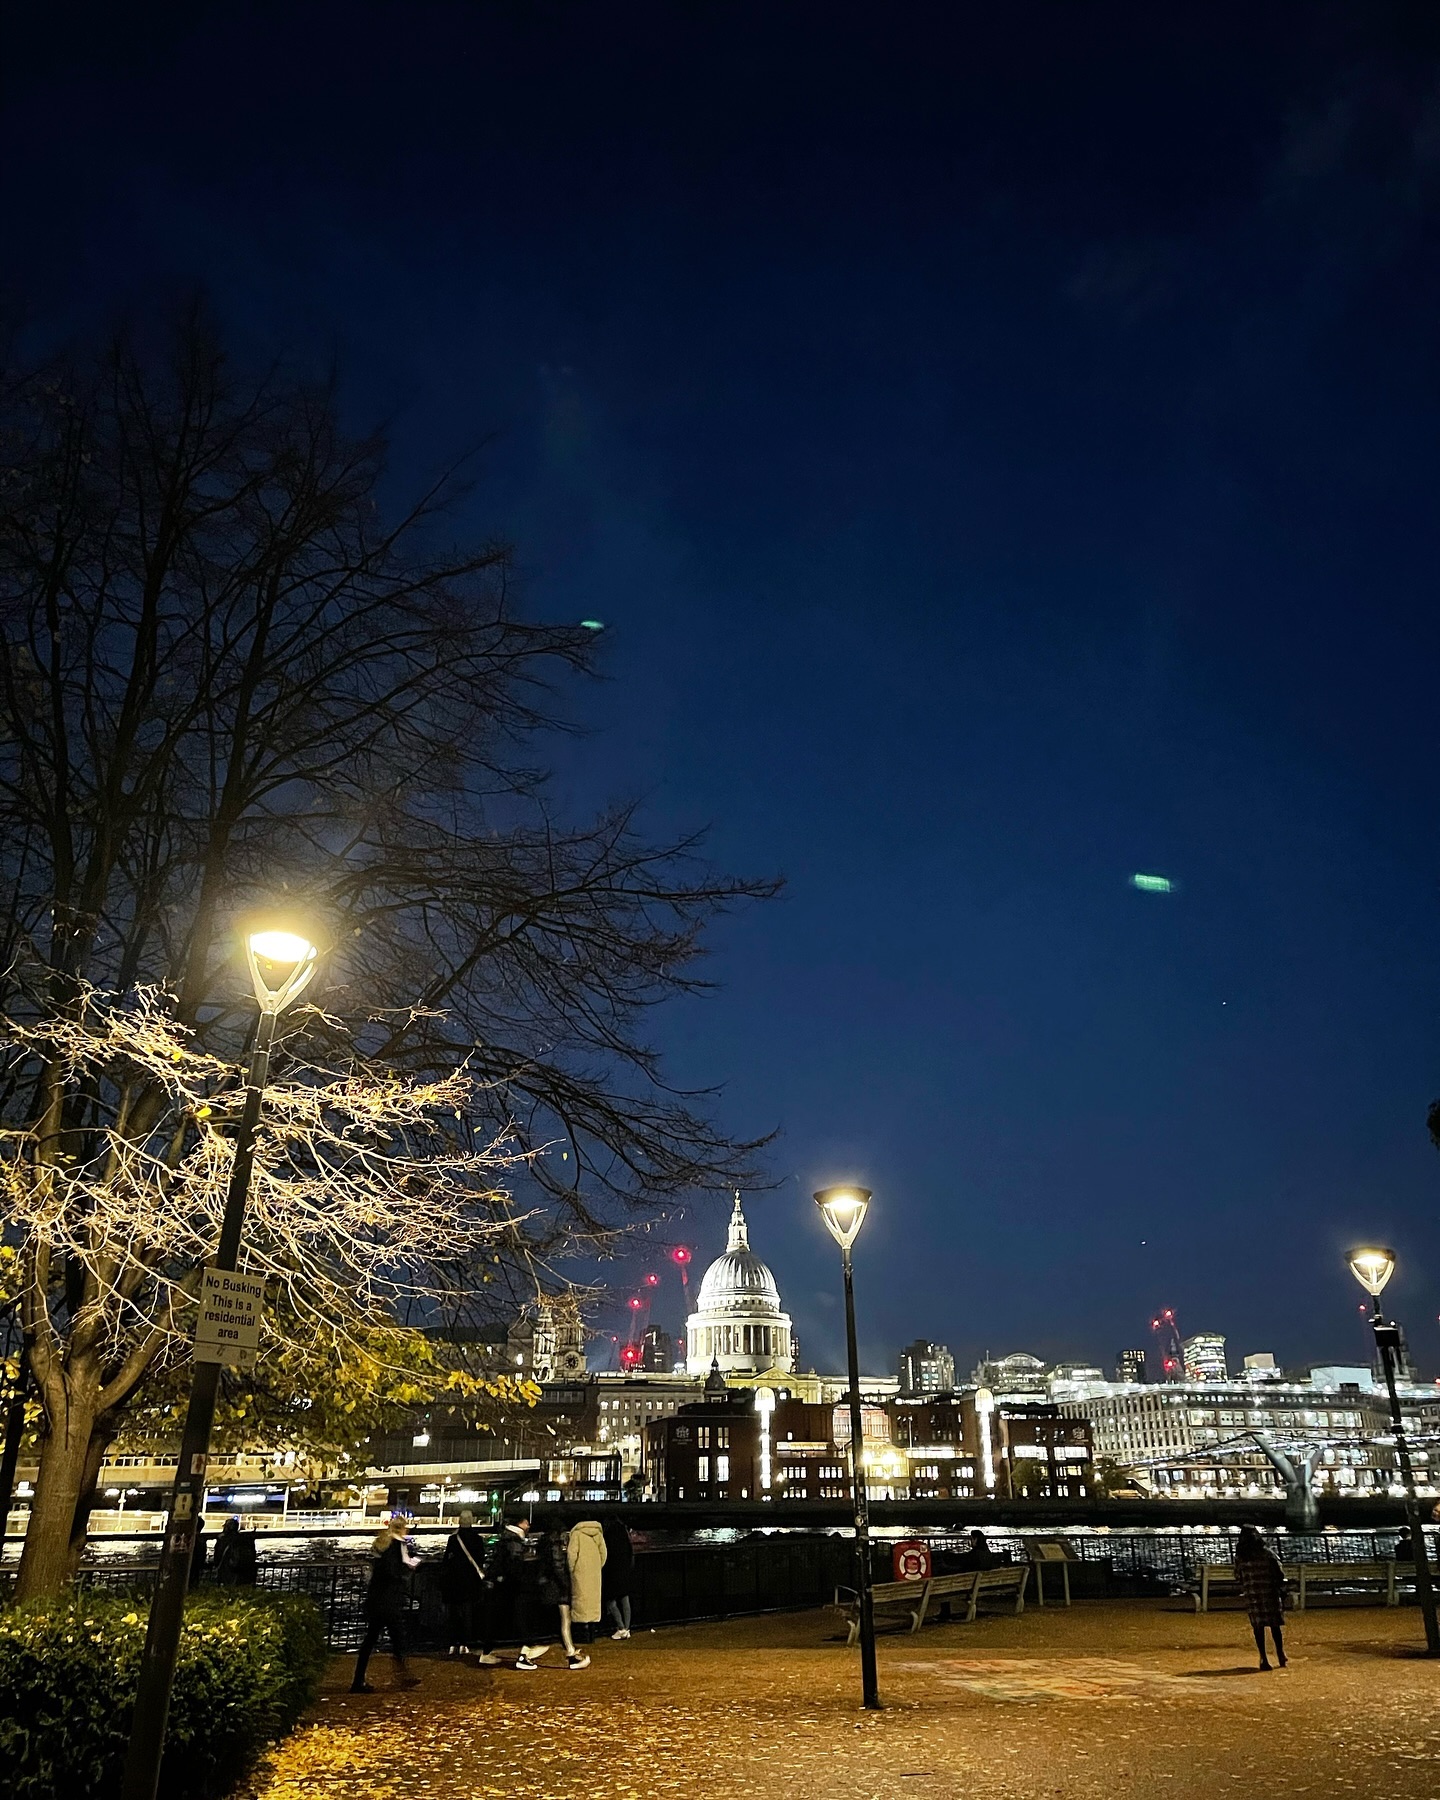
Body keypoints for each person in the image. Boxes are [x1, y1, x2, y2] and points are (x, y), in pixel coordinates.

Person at [351, 1515, 422, 1693]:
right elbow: (394, 1572)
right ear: (403, 1529)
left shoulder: (382, 1545)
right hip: (390, 1601)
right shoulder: (397, 1546)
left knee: (371, 1640)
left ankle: (358, 1680)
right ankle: (403, 1676)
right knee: (398, 1639)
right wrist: (409, 1569)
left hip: (376, 1599)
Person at [517, 1524, 589, 1671]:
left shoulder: (544, 1544)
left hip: (548, 1589)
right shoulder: (555, 1546)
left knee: (555, 1626)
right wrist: (566, 1585)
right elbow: (558, 1567)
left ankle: (570, 1653)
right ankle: (570, 1655)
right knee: (563, 1623)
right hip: (557, 1589)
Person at [1234, 1525, 1287, 1670]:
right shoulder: (1267, 1554)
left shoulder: (1241, 1557)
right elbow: (1279, 1573)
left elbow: (1238, 1576)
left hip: (1253, 1595)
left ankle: (1263, 1657)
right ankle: (1280, 1653)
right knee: (1275, 1626)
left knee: (1258, 1627)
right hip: (1270, 1592)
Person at [440, 1509, 489, 1655]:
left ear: (460, 1521)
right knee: (467, 1613)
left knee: (454, 1614)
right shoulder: (477, 1539)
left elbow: (446, 1561)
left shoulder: (453, 1539)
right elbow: (481, 1559)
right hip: (470, 1582)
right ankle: (465, 1643)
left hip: (454, 1582)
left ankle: (452, 1643)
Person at [566, 1518, 607, 1645]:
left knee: (580, 1601)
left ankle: (582, 1635)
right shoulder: (598, 1534)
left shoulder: (576, 1534)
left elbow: (572, 1554)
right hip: (594, 1572)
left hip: (580, 1572)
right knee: (593, 1602)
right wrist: (597, 1566)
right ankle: (592, 1634)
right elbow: (604, 1553)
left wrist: (572, 1569)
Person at [602, 1515, 635, 1640]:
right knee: (625, 1598)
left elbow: (605, 1553)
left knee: (610, 1600)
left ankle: (621, 1628)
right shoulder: (624, 1532)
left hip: (612, 1570)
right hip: (625, 1570)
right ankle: (626, 1628)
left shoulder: (608, 1534)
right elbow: (630, 1552)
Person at [212, 1517, 258, 1585]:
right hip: (241, 1572)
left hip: (227, 1570)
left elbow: (217, 1556)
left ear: (227, 1528)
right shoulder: (243, 1539)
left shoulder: (223, 1539)